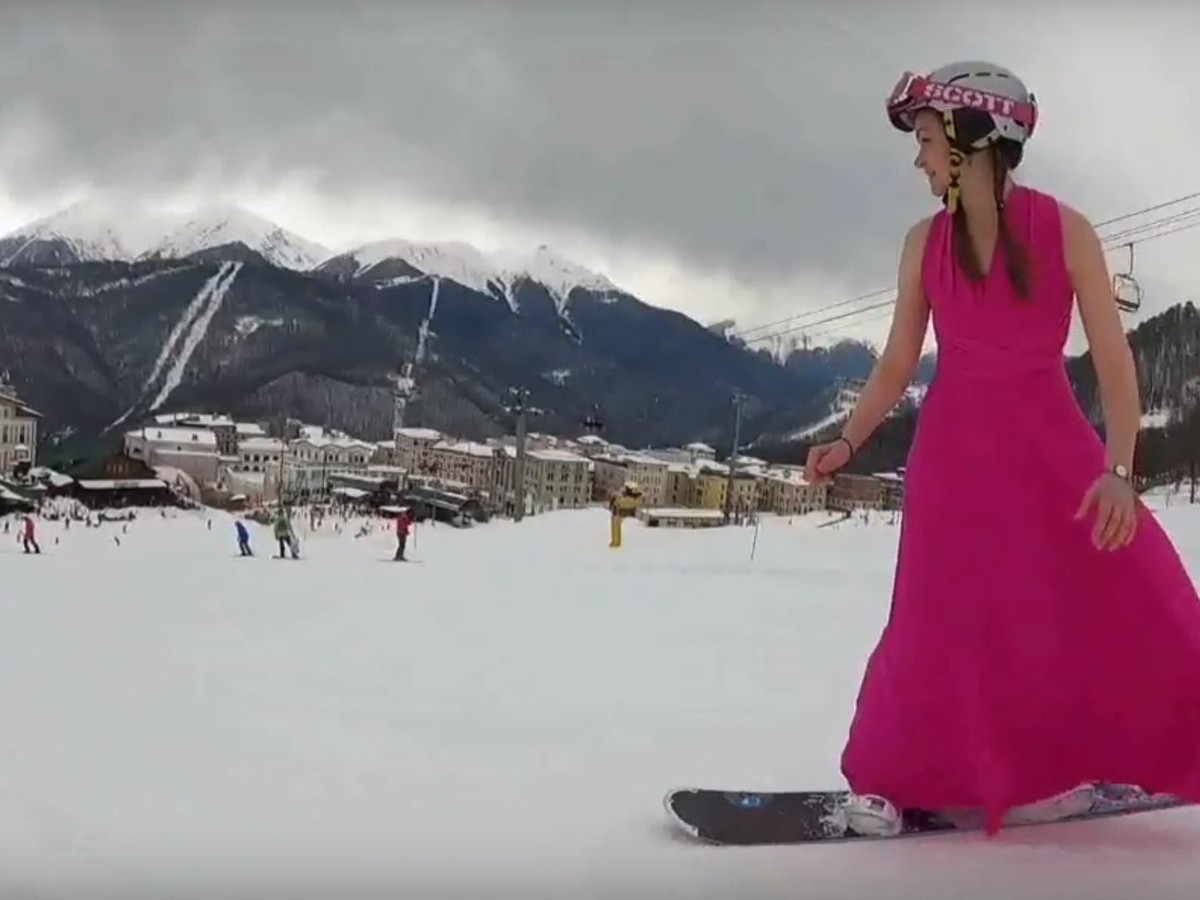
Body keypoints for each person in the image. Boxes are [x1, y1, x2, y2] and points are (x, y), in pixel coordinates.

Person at [804, 61, 1200, 837]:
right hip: (953, 463)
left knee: (1126, 597)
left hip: (1059, 461)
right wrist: (849, 439)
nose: (917, 159)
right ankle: (886, 775)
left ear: (973, 139)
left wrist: (1120, 473)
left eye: (925, 140)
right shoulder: (924, 243)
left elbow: (1116, 365)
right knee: (936, 620)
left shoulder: (1069, 230)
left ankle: (1070, 762)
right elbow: (896, 364)